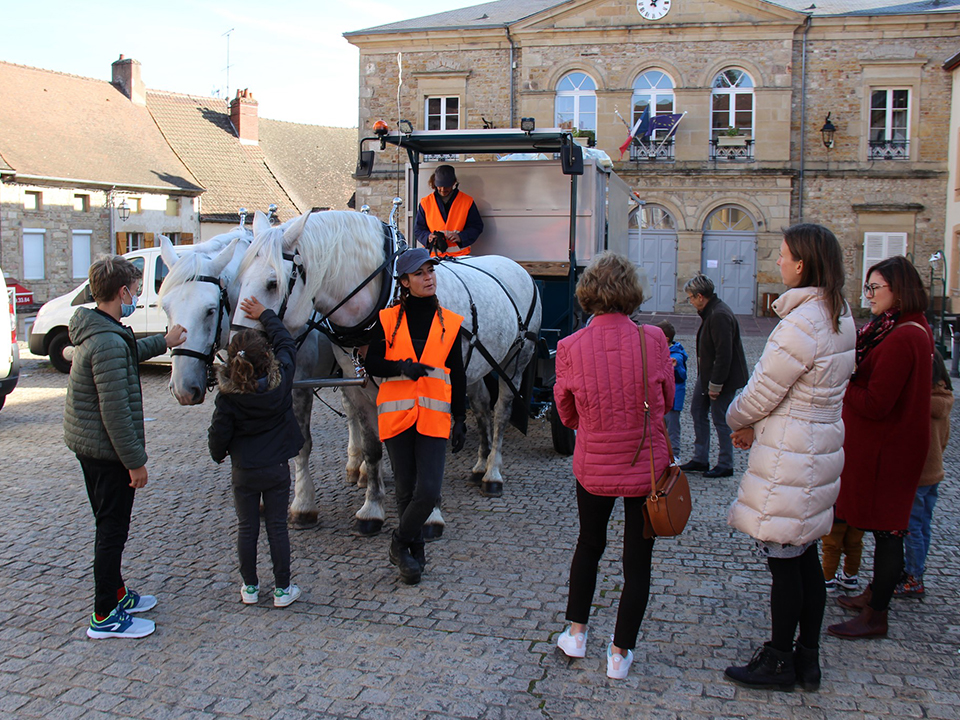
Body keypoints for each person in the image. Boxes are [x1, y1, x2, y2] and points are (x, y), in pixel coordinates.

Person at [722, 223, 856, 691]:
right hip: (816, 449)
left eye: (782, 255)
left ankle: (779, 659)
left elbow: (762, 391)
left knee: (785, 560)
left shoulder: (802, 322)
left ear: (802, 264)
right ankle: (808, 658)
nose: (776, 262)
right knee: (804, 557)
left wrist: (737, 420)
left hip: (793, 456)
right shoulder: (838, 314)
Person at [553, 252, 674, 680]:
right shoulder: (655, 339)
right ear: (631, 294)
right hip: (646, 463)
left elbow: (566, 415)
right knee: (637, 561)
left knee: (589, 544)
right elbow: (665, 402)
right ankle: (620, 655)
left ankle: (576, 633)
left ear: (587, 294)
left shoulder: (568, 348)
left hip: (595, 463)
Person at [64, 255, 186, 639]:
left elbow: (127, 350)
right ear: (122, 292)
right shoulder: (106, 341)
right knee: (112, 530)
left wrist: (164, 342)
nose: (136, 295)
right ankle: (104, 617)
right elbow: (115, 413)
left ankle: (116, 593)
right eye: (134, 290)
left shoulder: (102, 330)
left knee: (110, 525)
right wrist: (136, 463)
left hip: (91, 447)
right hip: (106, 454)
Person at [827, 255, 934, 640]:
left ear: (898, 290)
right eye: (867, 287)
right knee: (883, 530)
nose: (868, 295)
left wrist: (845, 380)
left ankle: (877, 614)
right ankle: (874, 595)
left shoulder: (905, 335)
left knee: (889, 533)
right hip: (887, 447)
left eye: (875, 288)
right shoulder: (898, 327)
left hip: (890, 452)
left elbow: (876, 402)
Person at [363, 247, 467, 585]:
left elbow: (459, 374)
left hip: (434, 418)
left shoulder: (449, 323)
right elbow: (372, 364)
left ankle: (398, 543)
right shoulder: (387, 320)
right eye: (420, 274)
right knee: (405, 491)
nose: (428, 278)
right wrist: (401, 368)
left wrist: (461, 418)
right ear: (405, 282)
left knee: (429, 492)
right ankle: (414, 553)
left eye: (430, 272)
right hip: (397, 418)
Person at [208, 297, 305, 608]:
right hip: (276, 467)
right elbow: (287, 343)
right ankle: (282, 589)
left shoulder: (228, 399)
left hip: (244, 469)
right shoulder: (281, 381)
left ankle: (249, 587)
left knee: (247, 526)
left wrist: (219, 453)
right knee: (277, 526)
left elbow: (218, 435)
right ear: (268, 358)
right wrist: (267, 315)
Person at [895, 350, 953, 598]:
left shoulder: (922, 404)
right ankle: (916, 571)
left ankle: (913, 576)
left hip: (918, 476)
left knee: (912, 528)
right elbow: (945, 440)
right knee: (924, 525)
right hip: (934, 474)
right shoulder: (944, 399)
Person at [680, 274, 748, 478]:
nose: (690, 301)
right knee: (697, 412)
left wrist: (716, 385)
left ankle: (725, 463)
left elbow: (724, 354)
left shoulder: (718, 315)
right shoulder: (711, 312)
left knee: (721, 419)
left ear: (700, 296)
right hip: (708, 375)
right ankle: (700, 458)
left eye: (691, 297)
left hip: (721, 378)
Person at [413, 164, 483, 257]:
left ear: (454, 183)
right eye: (439, 186)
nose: (442, 190)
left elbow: (476, 226)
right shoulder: (425, 202)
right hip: (434, 256)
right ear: (434, 184)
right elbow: (418, 229)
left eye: (446, 187)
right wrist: (428, 237)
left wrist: (461, 237)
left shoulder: (467, 201)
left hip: (460, 256)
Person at [656, 320, 687, 460]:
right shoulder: (658, 350)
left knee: (672, 429)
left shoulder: (676, 353)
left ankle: (675, 456)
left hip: (673, 399)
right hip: (661, 398)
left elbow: (678, 361)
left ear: (666, 338)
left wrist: (673, 363)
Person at [820, 519, 864, 593]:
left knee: (832, 547)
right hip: (858, 513)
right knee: (854, 545)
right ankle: (850, 575)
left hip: (836, 514)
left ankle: (828, 578)